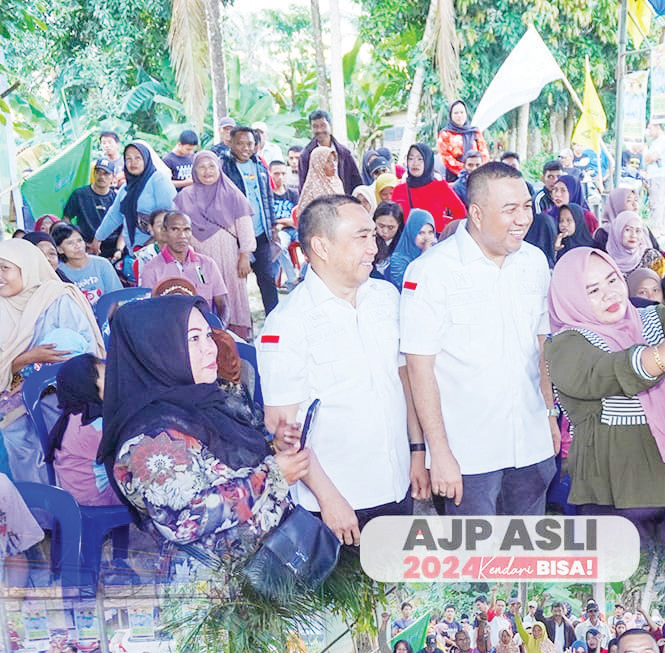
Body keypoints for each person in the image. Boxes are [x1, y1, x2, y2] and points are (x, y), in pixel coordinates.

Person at [98, 295, 344, 561]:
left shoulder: (208, 400)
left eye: (207, 335)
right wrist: (272, 476)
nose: (210, 348)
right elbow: (184, 520)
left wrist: (274, 447)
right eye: (193, 339)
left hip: (272, 561)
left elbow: (235, 456)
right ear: (157, 350)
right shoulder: (148, 441)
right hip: (219, 586)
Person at [258, 196, 430, 545]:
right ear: (321, 246)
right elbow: (282, 429)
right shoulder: (287, 323)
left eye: (373, 236)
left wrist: (417, 452)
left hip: (396, 485)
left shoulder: (385, 298)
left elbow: (403, 381)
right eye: (362, 236)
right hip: (336, 504)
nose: (374, 247)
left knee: (392, 593)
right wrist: (329, 499)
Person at [545, 247, 665, 563]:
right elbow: (609, 371)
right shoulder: (566, 346)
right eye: (592, 290)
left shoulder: (658, 316)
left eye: (612, 280)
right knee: (623, 599)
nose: (609, 294)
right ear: (570, 297)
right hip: (615, 497)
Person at [400, 162, 557, 515]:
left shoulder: (533, 263)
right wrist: (436, 451)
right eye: (510, 209)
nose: (523, 219)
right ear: (476, 213)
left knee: (525, 549)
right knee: (475, 558)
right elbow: (418, 368)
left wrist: (549, 414)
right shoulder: (431, 272)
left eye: (527, 206)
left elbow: (542, 343)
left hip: (530, 438)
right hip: (468, 451)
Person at [0, 240, 104, 483]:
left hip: (64, 397)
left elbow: (83, 356)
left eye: (5, 268)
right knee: (15, 437)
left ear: (26, 267)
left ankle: (62, 507)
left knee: (41, 434)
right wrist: (26, 359)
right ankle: (33, 515)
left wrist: (38, 375)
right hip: (11, 398)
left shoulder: (58, 299)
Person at [174, 151, 256, 340]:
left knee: (232, 293)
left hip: (228, 255)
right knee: (204, 292)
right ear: (194, 171)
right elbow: (177, 228)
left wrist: (245, 255)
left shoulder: (232, 193)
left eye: (211, 166)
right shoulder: (184, 197)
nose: (207, 171)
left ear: (219, 168)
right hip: (197, 256)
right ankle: (204, 334)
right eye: (201, 167)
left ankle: (236, 340)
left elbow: (244, 225)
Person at [47, 354, 122, 506]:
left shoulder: (77, 414)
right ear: (88, 386)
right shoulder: (91, 426)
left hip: (80, 492)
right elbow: (126, 450)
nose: (113, 379)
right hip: (96, 497)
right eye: (106, 376)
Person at [219, 126, 279, 317]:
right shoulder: (223, 168)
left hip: (261, 235)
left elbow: (268, 198)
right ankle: (241, 326)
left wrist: (273, 226)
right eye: (240, 144)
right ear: (231, 143)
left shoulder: (260, 167)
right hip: (235, 238)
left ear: (256, 146)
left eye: (249, 144)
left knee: (267, 280)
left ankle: (274, 321)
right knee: (238, 285)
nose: (245, 148)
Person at [139, 211, 229, 323]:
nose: (182, 236)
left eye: (186, 230)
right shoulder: (151, 269)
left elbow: (223, 305)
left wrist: (219, 329)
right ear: (164, 232)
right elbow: (147, 311)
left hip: (206, 331)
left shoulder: (208, 264)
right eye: (175, 229)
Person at [93, 142, 177, 252]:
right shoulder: (126, 188)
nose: (133, 163)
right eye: (128, 159)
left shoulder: (158, 180)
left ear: (146, 159)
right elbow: (114, 215)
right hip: (133, 251)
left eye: (138, 158)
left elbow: (171, 216)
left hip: (158, 250)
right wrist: (97, 239)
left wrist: (151, 245)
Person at [392, 144, 467, 232]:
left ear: (428, 161)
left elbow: (460, 211)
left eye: (420, 159)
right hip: (408, 242)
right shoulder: (399, 190)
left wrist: (447, 232)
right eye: (411, 158)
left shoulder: (440, 187)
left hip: (435, 242)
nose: (415, 163)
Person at [51, 223, 123, 304]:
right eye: (70, 243)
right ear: (60, 250)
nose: (78, 246)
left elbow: (116, 296)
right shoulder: (59, 272)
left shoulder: (102, 264)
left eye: (80, 240)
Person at [298, 110, 363, 193]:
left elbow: (356, 182)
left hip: (344, 201)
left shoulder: (343, 153)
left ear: (330, 125)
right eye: (315, 126)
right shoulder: (306, 156)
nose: (319, 130)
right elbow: (303, 187)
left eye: (323, 125)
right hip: (319, 203)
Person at [63, 158, 118, 254]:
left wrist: (119, 249)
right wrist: (77, 240)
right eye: (98, 172)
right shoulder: (79, 195)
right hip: (84, 247)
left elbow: (124, 226)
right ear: (94, 173)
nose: (101, 176)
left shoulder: (117, 198)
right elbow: (66, 218)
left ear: (113, 177)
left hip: (112, 248)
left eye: (106, 173)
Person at [437, 101, 490, 181]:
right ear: (450, 115)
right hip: (454, 177)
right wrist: (465, 169)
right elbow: (445, 157)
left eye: (462, 112)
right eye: (456, 113)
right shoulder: (445, 134)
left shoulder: (475, 132)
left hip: (476, 175)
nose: (459, 116)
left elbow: (484, 154)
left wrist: (475, 168)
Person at [386, 209, 436, 290]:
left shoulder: (436, 252)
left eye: (430, 232)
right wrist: (424, 257)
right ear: (411, 232)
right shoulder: (398, 259)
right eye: (421, 233)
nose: (426, 238)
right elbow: (407, 287)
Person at [606, 212, 665, 278]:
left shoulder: (652, 257)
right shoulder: (607, 262)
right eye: (628, 230)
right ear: (617, 231)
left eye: (638, 231)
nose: (633, 235)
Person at [270, 159, 300, 290]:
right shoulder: (268, 196)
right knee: (279, 246)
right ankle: (293, 280)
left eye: (283, 173)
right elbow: (270, 220)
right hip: (281, 232)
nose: (280, 177)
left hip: (296, 229)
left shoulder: (293, 193)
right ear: (269, 174)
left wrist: (281, 222)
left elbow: (297, 218)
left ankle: (304, 276)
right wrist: (284, 223)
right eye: (276, 174)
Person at [297, 146, 346, 211]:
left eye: (334, 160)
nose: (333, 165)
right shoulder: (312, 187)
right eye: (328, 161)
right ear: (318, 164)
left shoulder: (337, 182)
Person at [645, 123, 665, 235]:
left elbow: (652, 157)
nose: (649, 132)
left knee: (657, 201)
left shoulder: (662, 140)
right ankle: (660, 227)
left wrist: (647, 156)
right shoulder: (655, 142)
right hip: (654, 175)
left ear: (657, 128)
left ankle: (658, 227)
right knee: (657, 201)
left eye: (650, 129)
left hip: (658, 175)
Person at [373, 201, 404, 278]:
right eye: (381, 226)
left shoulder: (403, 243)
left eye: (391, 227)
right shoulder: (368, 241)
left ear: (399, 225)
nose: (385, 231)